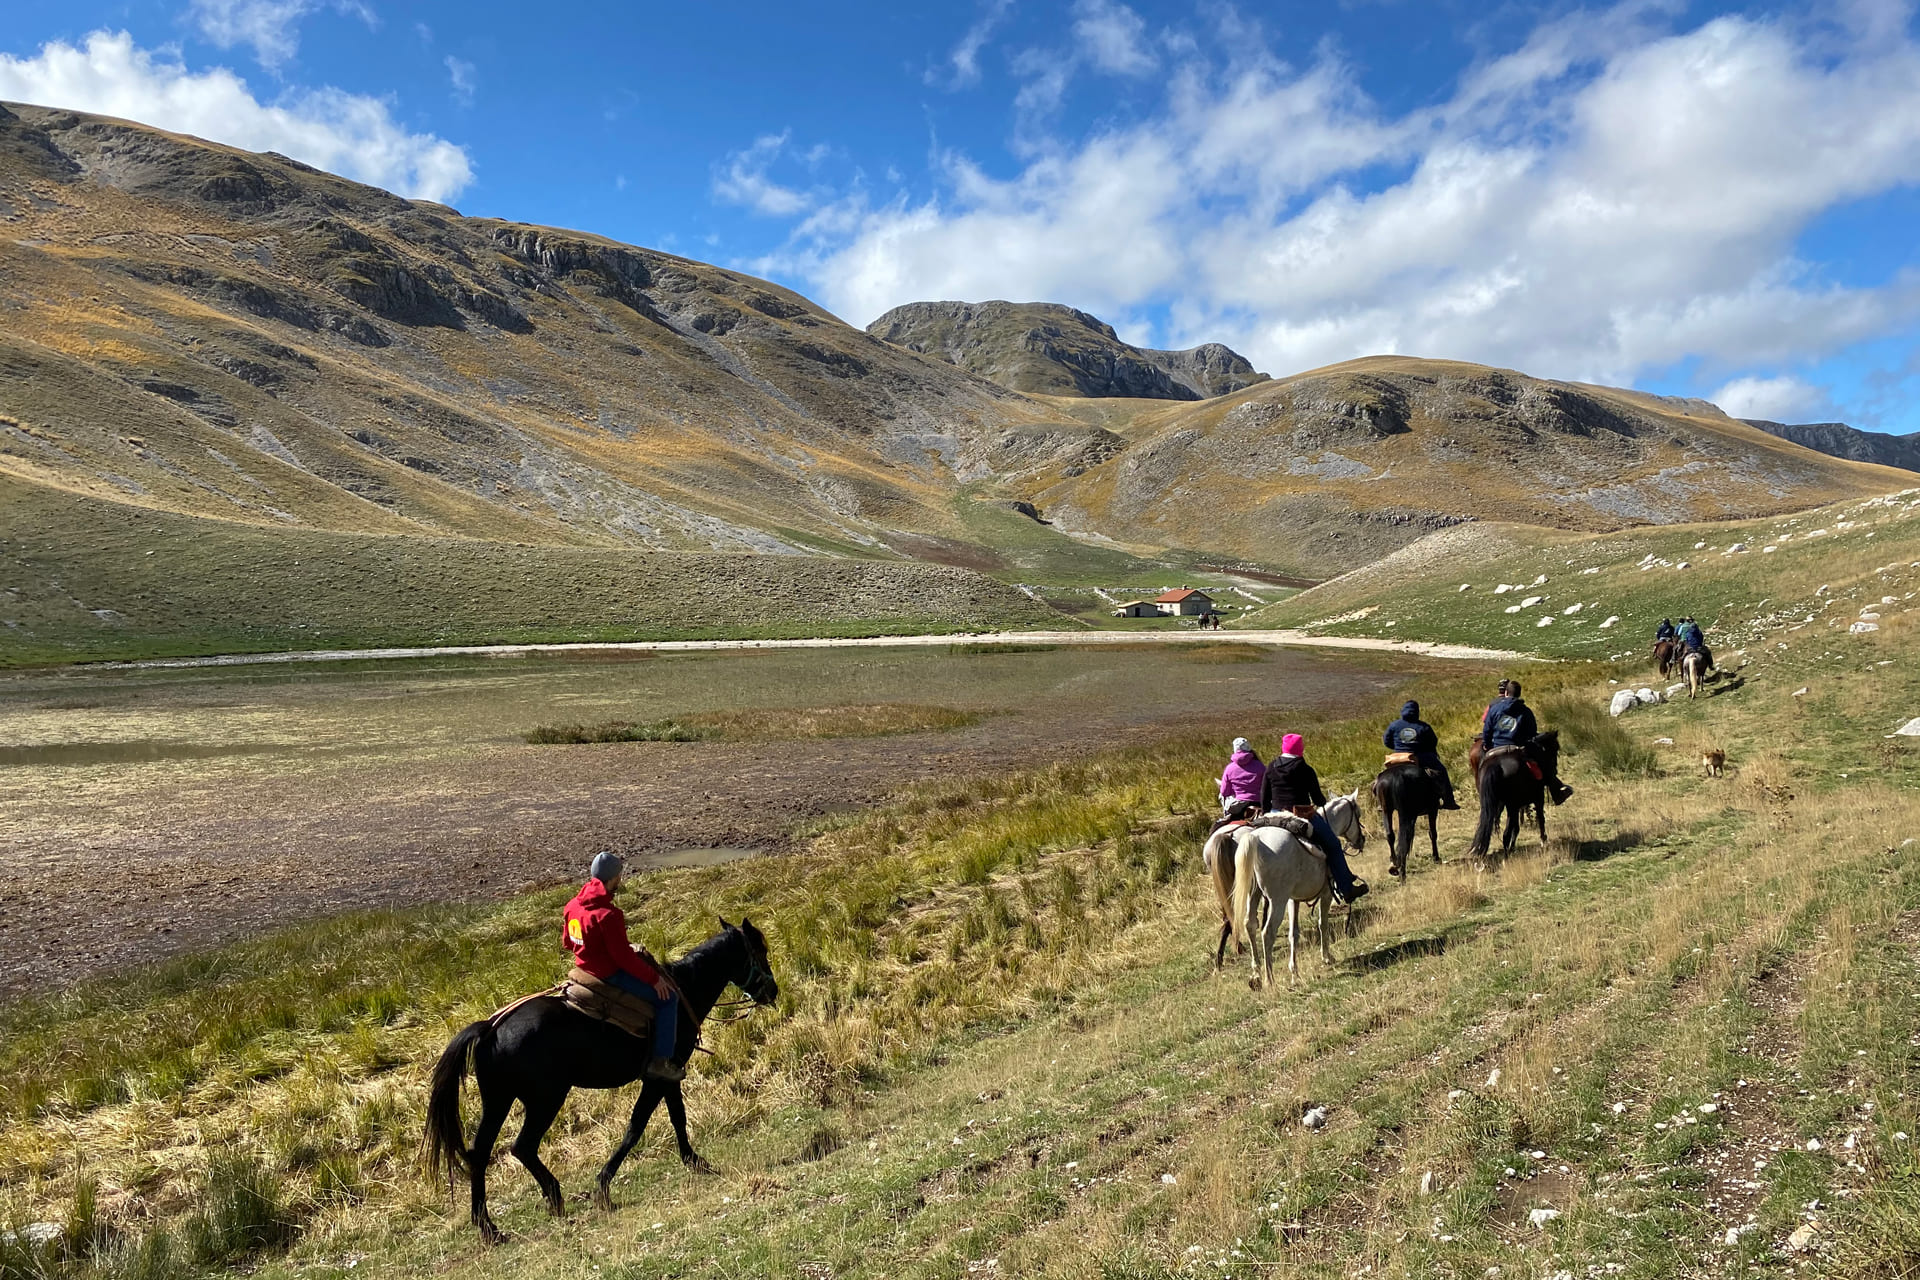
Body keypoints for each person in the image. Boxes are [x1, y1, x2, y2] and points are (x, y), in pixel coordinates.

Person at [562, 851, 683, 1081]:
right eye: (619, 876)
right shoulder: (609, 915)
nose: (620, 879)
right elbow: (623, 960)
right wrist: (655, 980)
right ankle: (660, 1062)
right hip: (608, 974)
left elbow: (568, 942)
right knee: (668, 1000)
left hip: (582, 969)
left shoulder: (571, 906)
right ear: (613, 879)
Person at [1261, 733, 1368, 903]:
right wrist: (1321, 801)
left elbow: (1264, 797)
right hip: (1301, 815)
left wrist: (1266, 814)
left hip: (1274, 814)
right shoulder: (1305, 769)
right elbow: (1318, 800)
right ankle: (1346, 888)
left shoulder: (1271, 767)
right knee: (1334, 844)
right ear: (1300, 749)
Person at [1480, 680, 1573, 805]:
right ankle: (1556, 791)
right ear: (1519, 694)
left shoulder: (1494, 708)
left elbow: (1486, 729)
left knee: (1482, 766)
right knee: (1544, 762)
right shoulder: (1525, 711)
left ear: (1506, 692)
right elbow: (1531, 733)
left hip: (1496, 746)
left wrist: (1487, 744)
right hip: (1518, 747)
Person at [1383, 700, 1459, 809]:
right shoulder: (1423, 726)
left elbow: (1386, 741)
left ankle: (1382, 802)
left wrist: (1398, 748)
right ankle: (1448, 800)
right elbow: (1433, 742)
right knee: (1442, 771)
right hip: (1419, 757)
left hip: (1398, 757)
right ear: (1417, 712)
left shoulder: (1393, 725)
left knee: (1382, 776)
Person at [1218, 736, 1267, 815]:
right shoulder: (1260, 766)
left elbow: (1224, 792)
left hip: (1239, 804)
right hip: (1259, 803)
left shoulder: (1229, 768)